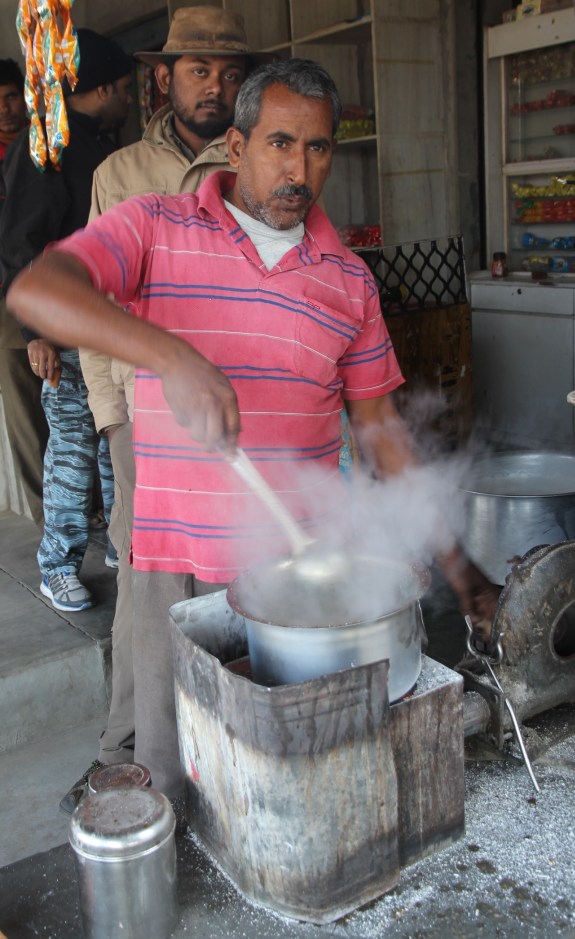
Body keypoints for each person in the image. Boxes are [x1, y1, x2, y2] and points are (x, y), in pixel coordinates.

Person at [8, 58, 499, 801]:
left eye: (318, 147)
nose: (299, 170)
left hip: (294, 575)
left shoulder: (349, 282)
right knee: (181, 779)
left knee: (285, 785)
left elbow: (382, 434)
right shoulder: (156, 225)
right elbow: (38, 289)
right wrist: (171, 355)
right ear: (236, 148)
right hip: (175, 570)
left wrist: (462, 571)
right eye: (279, 144)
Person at [77, 6, 265, 786]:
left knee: (233, 579)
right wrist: (110, 416)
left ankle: (226, 750)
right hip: (144, 418)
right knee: (146, 590)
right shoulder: (119, 175)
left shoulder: (260, 167)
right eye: (198, 70)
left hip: (237, 411)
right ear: (164, 77)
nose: (213, 86)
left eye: (229, 73)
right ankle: (131, 753)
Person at [0, 29, 132, 612]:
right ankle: (56, 563)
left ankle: (118, 543)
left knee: (113, 440)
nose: (128, 99)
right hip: (65, 328)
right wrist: (38, 333)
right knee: (73, 449)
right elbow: (19, 246)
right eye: (123, 88)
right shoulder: (48, 145)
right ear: (100, 89)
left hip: (107, 326)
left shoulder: (99, 143)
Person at [0, 58, 48, 528]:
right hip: (6, 303)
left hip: (55, 289)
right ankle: (45, 510)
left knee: (71, 398)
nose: (4, 108)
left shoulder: (47, 146)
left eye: (11, 97)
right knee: (25, 410)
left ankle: (83, 501)